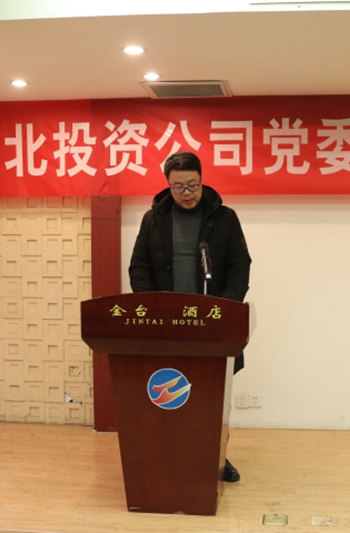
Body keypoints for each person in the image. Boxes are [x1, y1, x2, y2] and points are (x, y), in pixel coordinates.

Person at [128, 151, 252, 483]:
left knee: (212, 399)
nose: (187, 193)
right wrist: (154, 308)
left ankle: (217, 457)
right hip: (167, 326)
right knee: (171, 397)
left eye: (192, 185)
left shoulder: (224, 218)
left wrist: (225, 310)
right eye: (178, 187)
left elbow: (240, 266)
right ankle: (170, 457)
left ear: (202, 179)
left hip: (212, 325)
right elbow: (139, 267)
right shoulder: (153, 219)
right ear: (168, 185)